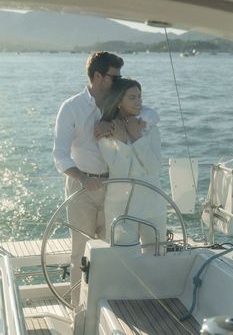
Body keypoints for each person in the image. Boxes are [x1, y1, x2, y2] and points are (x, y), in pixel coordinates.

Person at [53, 51, 124, 306]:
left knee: (110, 252)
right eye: (114, 76)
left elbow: (144, 122)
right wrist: (83, 179)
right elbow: (60, 155)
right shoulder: (71, 107)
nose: (119, 81)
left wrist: (115, 127)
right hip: (81, 187)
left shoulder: (120, 105)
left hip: (114, 187)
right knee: (80, 254)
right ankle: (78, 313)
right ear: (98, 76)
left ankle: (105, 311)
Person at [96, 78, 166, 253]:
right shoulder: (106, 132)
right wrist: (125, 141)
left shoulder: (149, 128)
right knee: (123, 259)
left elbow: (155, 168)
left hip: (152, 204)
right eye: (132, 98)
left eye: (140, 97)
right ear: (119, 101)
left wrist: (136, 137)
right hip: (121, 208)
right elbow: (121, 171)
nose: (139, 102)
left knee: (157, 259)